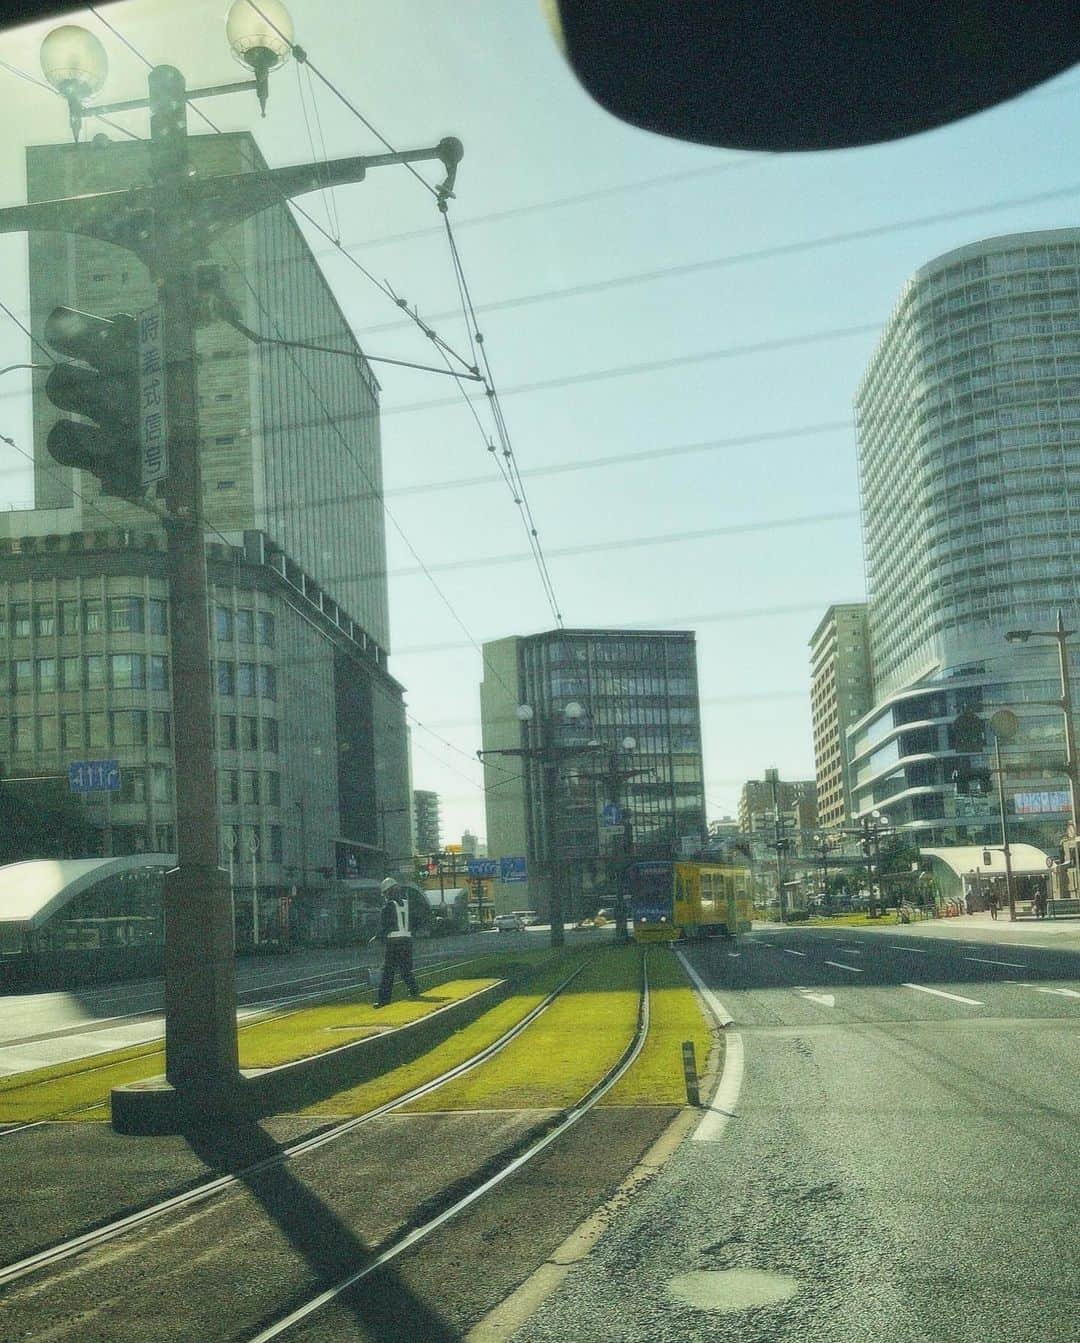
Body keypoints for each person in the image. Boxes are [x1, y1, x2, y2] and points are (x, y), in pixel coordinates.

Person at [374, 877, 420, 1007]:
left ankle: (384, 1000)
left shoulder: (388, 906)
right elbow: (416, 921)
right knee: (406, 969)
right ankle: (414, 990)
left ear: (388, 892)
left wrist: (378, 937)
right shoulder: (407, 904)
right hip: (407, 940)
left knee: (388, 972)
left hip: (394, 942)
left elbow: (386, 926)